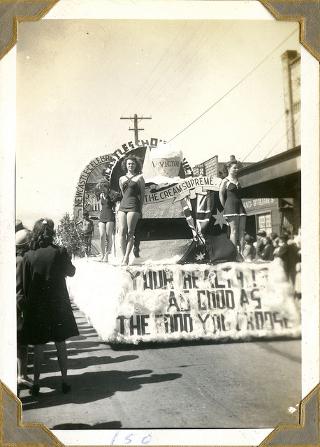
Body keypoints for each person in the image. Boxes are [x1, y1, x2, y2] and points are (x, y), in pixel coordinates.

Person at [22, 218, 79, 395]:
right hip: (58, 305)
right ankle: (65, 381)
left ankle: (36, 383)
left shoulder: (28, 255)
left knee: (39, 346)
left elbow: (25, 284)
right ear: (51, 232)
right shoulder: (59, 251)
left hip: (38, 307)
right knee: (60, 343)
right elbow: (71, 272)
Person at [118, 156, 145, 265]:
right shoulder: (121, 178)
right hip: (123, 206)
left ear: (136, 165)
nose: (131, 165)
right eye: (129, 164)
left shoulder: (140, 178)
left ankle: (126, 258)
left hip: (134, 206)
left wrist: (140, 209)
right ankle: (124, 256)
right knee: (122, 232)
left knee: (130, 232)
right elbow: (123, 193)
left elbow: (142, 195)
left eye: (133, 164)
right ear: (126, 165)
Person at [16, 228, 33, 390]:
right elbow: (20, 290)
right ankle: (22, 375)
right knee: (22, 343)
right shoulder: (21, 261)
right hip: (17, 310)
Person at [219, 159, 246, 255]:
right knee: (234, 231)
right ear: (229, 168)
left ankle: (242, 253)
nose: (236, 169)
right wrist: (225, 207)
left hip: (240, 206)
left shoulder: (238, 180)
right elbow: (221, 195)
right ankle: (234, 254)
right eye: (234, 168)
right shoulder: (225, 181)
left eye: (237, 168)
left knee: (242, 230)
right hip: (230, 207)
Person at [95, 180, 118, 262]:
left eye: (103, 188)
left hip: (110, 215)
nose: (102, 189)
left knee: (108, 236)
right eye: (101, 188)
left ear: (107, 187)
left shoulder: (111, 194)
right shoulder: (101, 195)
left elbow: (115, 205)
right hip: (102, 216)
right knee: (102, 235)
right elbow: (102, 206)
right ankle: (102, 254)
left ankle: (107, 255)